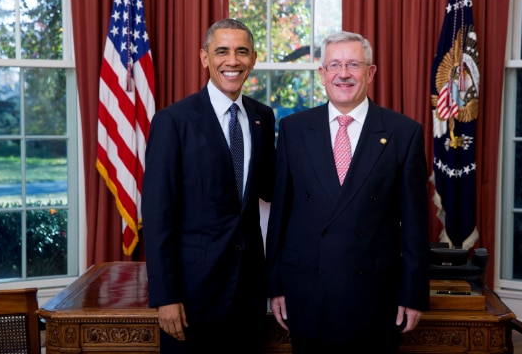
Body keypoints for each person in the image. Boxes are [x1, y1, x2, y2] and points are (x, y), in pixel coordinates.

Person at [266, 31, 430, 354]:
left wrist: (413, 294)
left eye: (354, 64)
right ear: (322, 74)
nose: (344, 73)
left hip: (374, 297)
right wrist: (275, 287)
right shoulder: (294, 129)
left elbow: (415, 227)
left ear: (370, 72)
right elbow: (280, 216)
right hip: (308, 293)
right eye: (335, 65)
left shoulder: (403, 132)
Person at [142, 18, 276, 354]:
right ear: (205, 58)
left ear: (254, 58)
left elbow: (271, 189)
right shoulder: (174, 121)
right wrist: (166, 297)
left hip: (249, 294)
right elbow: (158, 217)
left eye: (242, 52)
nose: (233, 61)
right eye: (222, 51)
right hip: (192, 296)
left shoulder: (263, 117)